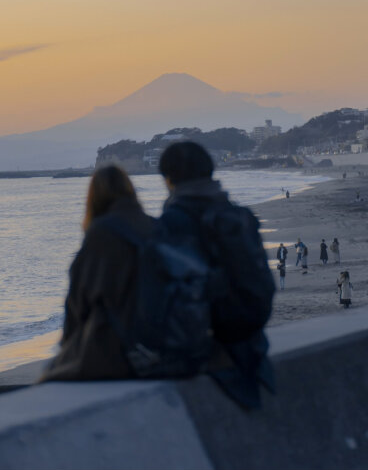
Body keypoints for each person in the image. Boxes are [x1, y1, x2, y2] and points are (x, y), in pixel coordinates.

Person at [158, 141, 275, 409]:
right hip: (252, 333)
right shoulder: (235, 213)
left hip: (213, 340)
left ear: (168, 179)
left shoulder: (174, 220)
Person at [41, 165, 156, 381]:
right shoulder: (153, 226)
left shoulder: (102, 233)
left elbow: (78, 301)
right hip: (157, 339)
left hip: (119, 347)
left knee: (49, 377)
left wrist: (68, 345)